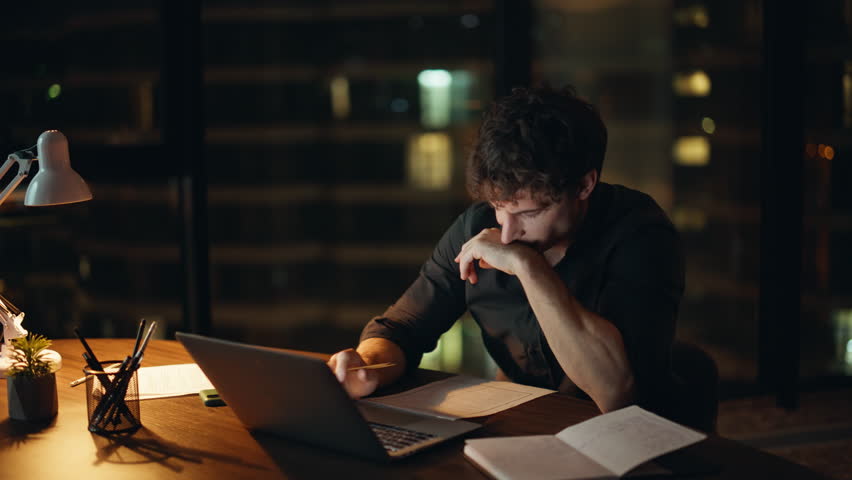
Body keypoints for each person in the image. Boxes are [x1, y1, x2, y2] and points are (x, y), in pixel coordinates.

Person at [328, 85, 684, 416]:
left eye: (529, 213)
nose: (508, 232)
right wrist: (367, 366)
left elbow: (616, 394)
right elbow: (401, 329)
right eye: (500, 207)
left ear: (584, 185)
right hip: (524, 430)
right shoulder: (477, 225)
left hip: (630, 444)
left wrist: (529, 268)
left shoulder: (640, 234)